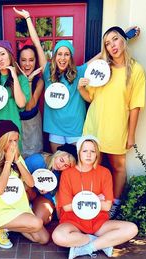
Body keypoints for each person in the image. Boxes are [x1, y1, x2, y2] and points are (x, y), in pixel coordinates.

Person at [78, 26, 145, 218]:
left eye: (115, 39)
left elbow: (135, 105)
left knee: (118, 166)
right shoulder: (102, 68)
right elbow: (91, 98)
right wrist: (82, 87)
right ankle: (90, 203)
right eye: (107, 43)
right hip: (95, 124)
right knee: (91, 165)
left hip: (116, 126)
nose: (112, 45)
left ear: (124, 40)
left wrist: (131, 134)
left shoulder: (136, 70)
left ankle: (114, 204)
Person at [13, 7, 100, 153]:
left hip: (75, 127)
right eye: (59, 54)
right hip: (55, 128)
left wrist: (123, 37)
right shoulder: (47, 71)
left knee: (72, 164)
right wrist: (28, 18)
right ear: (55, 56)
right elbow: (36, 43)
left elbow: (102, 57)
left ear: (70, 57)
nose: (63, 57)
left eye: (67, 54)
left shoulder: (79, 71)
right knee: (58, 163)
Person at [52, 135, 138, 259]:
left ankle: (88, 247)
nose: (88, 155)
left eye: (92, 151)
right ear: (79, 153)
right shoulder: (67, 174)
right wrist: (97, 199)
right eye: (85, 151)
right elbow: (67, 207)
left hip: (98, 221)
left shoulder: (104, 173)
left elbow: (107, 205)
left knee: (131, 229)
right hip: (73, 221)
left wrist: (79, 199)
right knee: (58, 236)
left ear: (97, 154)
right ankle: (101, 242)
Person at [0, 119, 49, 249]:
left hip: (18, 208)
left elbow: (31, 183)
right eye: (10, 140)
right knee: (37, 223)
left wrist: (17, 160)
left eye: (16, 140)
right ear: (1, 140)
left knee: (43, 238)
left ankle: (9, 226)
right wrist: (8, 162)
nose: (13, 144)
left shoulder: (17, 156)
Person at [25, 151, 75, 225]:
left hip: (43, 197)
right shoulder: (37, 160)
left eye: (65, 165)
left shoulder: (61, 174)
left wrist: (47, 191)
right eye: (61, 160)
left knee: (40, 219)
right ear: (57, 154)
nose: (60, 166)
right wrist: (31, 184)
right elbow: (18, 174)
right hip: (27, 191)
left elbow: (54, 194)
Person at [17, 42, 44, 157]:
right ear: (18, 61)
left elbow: (29, 106)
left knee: (34, 158)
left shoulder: (39, 81)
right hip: (17, 124)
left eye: (31, 60)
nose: (27, 64)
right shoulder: (13, 79)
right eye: (23, 60)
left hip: (33, 124)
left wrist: (29, 81)